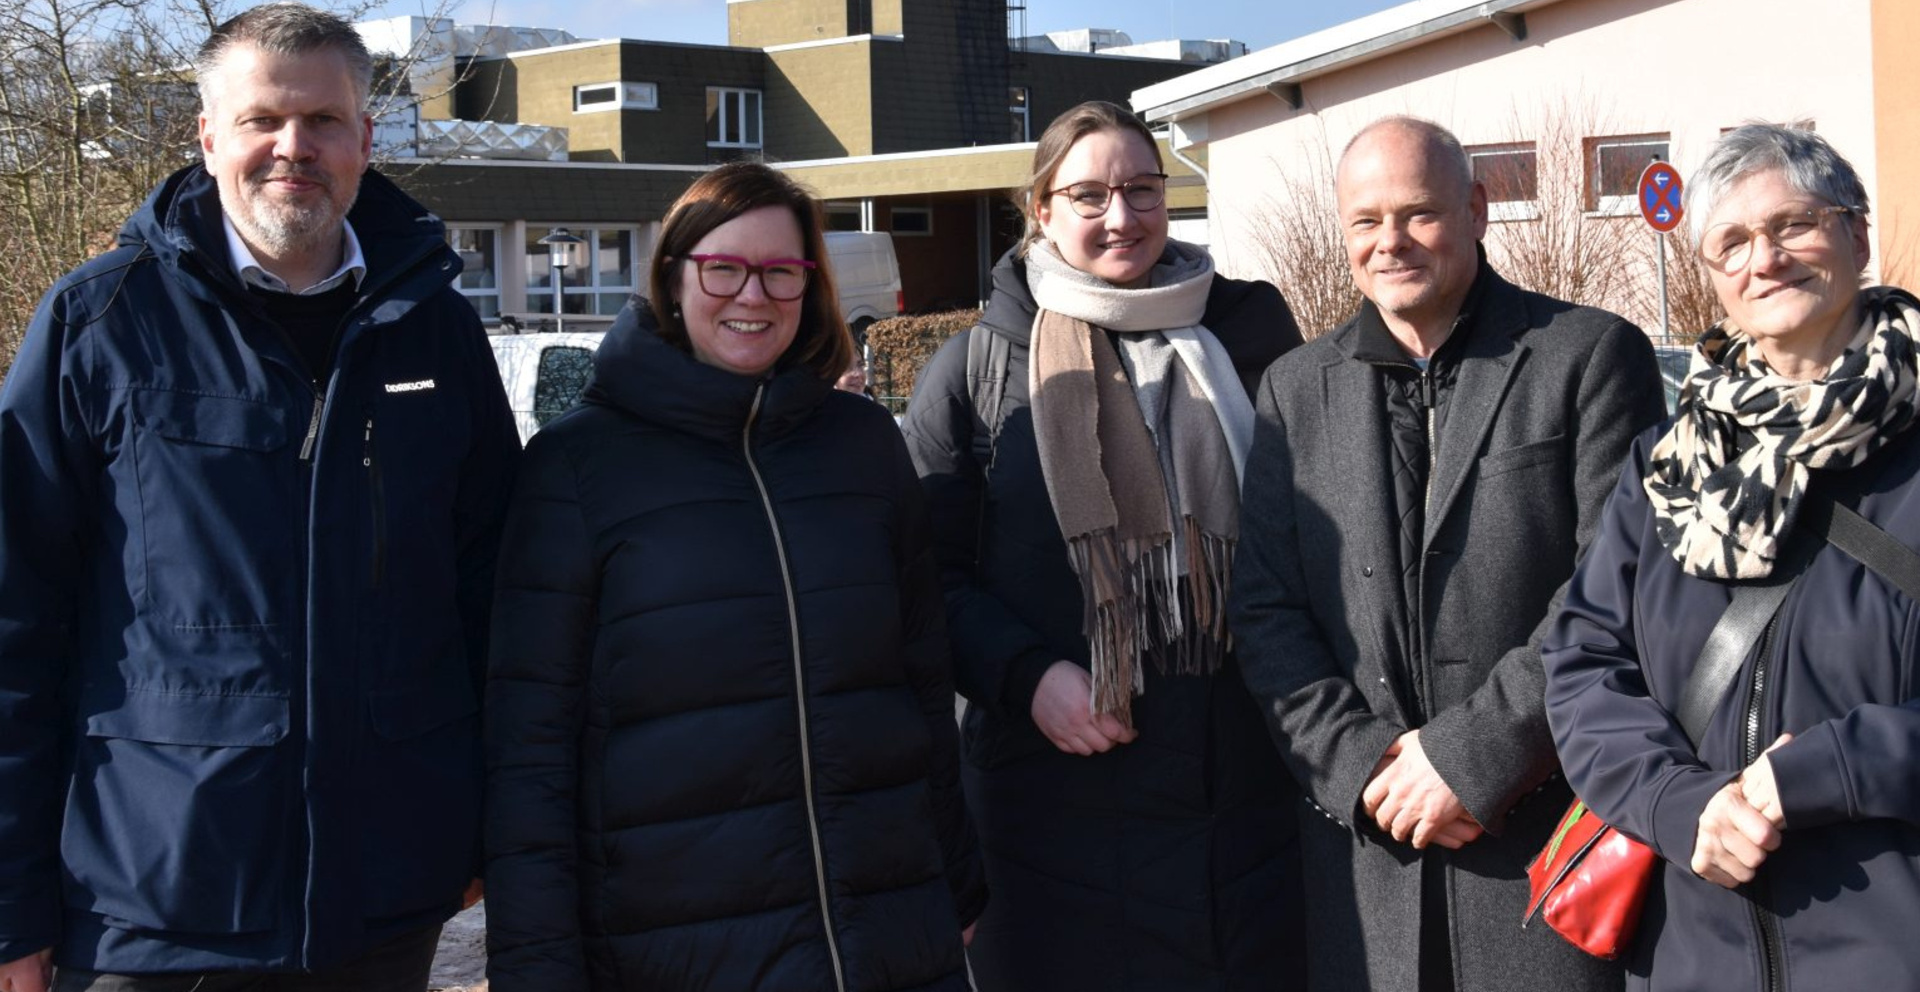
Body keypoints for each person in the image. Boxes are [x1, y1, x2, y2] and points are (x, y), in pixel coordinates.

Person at [0, 2, 520, 991]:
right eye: (262, 120)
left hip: (384, 898)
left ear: (366, 138)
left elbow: (492, 597)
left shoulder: (437, 331)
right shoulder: (100, 324)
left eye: (323, 120)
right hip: (154, 899)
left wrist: (483, 827)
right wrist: (9, 903)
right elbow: (15, 617)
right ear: (208, 137)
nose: (294, 147)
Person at [483, 162, 984, 992]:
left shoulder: (862, 445)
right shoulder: (577, 466)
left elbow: (922, 682)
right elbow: (529, 749)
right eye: (724, 268)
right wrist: (537, 966)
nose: (753, 295)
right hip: (676, 948)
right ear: (673, 274)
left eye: (782, 271)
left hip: (885, 930)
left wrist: (956, 876)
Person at [1229, 115, 1663, 992]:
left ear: (1477, 209)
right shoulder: (1293, 390)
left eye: (1418, 213)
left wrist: (1473, 761)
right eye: (1365, 220)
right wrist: (1365, 767)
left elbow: (1617, 589)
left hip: (1542, 854)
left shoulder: (1588, 356)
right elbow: (1267, 610)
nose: (1389, 241)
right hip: (1368, 868)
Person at [902, 100, 1307, 991]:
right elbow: (923, 582)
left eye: (1142, 190)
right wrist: (1026, 678)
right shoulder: (978, 368)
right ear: (1041, 210)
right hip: (1056, 808)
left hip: (1244, 806)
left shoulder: (1253, 335)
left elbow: (1314, 533)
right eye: (1089, 195)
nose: (1121, 216)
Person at [1543, 123, 1920, 989]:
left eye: (1795, 225)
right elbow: (1582, 664)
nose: (1767, 259)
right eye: (1734, 242)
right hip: (1692, 955)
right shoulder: (1667, 465)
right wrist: (1681, 805)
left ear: (1857, 236)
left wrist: (1837, 768)